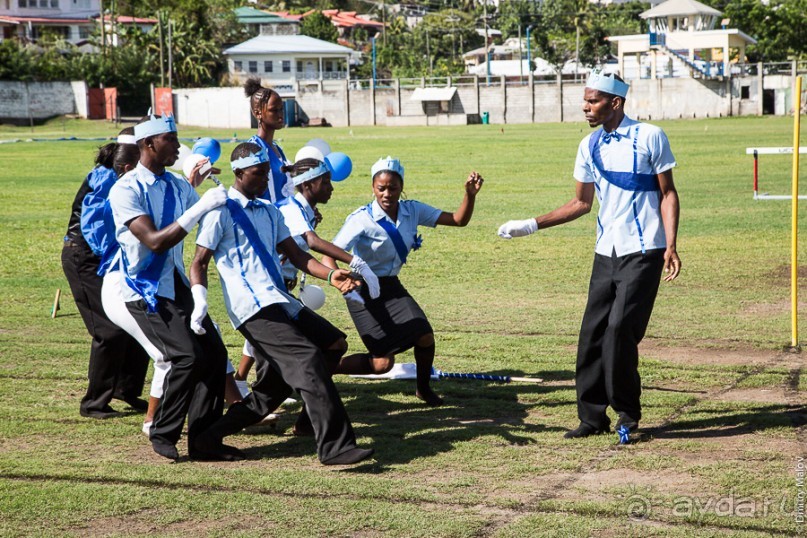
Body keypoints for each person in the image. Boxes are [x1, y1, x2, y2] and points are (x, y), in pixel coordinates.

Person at [497, 72, 681, 439]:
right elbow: (581, 203)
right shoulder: (589, 144)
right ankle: (592, 418)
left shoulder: (650, 136)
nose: (585, 107)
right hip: (605, 252)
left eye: (593, 100)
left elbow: (668, 193)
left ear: (615, 102)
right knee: (592, 334)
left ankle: (627, 414)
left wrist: (671, 244)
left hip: (644, 250)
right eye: (585, 100)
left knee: (619, 330)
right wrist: (531, 225)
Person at [190, 142, 374, 465]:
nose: (265, 179)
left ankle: (207, 438)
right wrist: (199, 301)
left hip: (280, 300)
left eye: (266, 172)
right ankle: (335, 447)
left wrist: (332, 276)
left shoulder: (270, 211)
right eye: (258, 173)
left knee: (331, 346)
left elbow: (299, 255)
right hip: (252, 308)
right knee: (308, 359)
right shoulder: (219, 211)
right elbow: (198, 262)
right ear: (239, 173)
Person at [107, 111, 234, 461]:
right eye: (171, 140)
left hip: (175, 283)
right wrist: (202, 204)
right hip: (143, 290)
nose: (179, 147)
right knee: (186, 357)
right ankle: (162, 431)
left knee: (215, 355)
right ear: (148, 144)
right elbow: (155, 241)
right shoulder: (125, 189)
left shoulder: (177, 186)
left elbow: (207, 216)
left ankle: (205, 442)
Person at [324, 157, 484, 407]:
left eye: (393, 188)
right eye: (381, 188)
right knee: (382, 364)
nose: (387, 194)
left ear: (401, 187)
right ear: (373, 188)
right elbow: (328, 254)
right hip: (361, 289)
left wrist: (469, 195)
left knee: (425, 335)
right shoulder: (361, 219)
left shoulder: (413, 210)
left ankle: (423, 389)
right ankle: (324, 369)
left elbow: (458, 220)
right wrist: (339, 280)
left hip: (391, 286)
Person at [234, 157, 382, 389]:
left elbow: (298, 249)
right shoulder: (292, 209)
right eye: (325, 182)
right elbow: (312, 242)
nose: (331, 188)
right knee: (278, 347)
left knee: (272, 345)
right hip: (267, 288)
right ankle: (255, 390)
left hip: (281, 286)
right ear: (307, 185)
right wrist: (356, 262)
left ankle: (248, 384)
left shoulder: (305, 211)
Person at [61, 127, 150, 419]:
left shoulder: (126, 175)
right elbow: (94, 227)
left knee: (135, 322)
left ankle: (126, 389)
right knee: (108, 331)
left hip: (109, 258)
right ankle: (93, 403)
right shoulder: (105, 178)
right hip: (85, 258)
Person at [244, 77, 293, 204]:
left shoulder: (277, 149)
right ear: (258, 113)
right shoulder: (254, 150)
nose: (280, 115)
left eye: (281, 109)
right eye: (274, 110)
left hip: (280, 214)